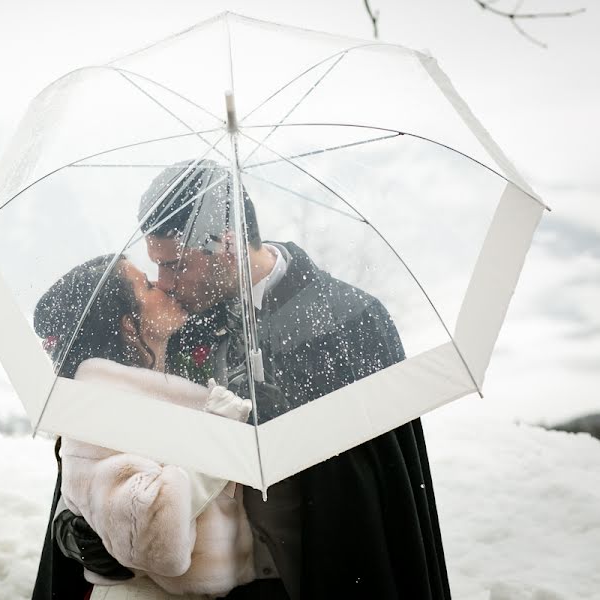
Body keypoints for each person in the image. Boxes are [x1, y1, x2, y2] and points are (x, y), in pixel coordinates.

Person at [35, 160, 452, 600]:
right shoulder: (173, 327)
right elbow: (100, 443)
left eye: (175, 264)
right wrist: (70, 528)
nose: (164, 283)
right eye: (156, 266)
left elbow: (380, 486)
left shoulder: (346, 322)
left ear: (226, 243)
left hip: (313, 578)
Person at [32, 254, 257, 600]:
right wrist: (216, 443)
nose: (164, 285)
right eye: (149, 285)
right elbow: (148, 532)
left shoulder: (166, 380)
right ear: (127, 324)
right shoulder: (103, 402)